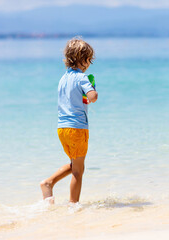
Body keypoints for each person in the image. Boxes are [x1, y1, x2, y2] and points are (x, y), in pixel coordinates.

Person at [40, 38, 98, 204]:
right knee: (78, 171)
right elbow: (92, 97)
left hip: (62, 128)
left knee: (75, 164)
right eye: (89, 60)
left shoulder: (63, 79)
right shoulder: (82, 78)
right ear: (83, 59)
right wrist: (93, 92)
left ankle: (48, 183)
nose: (89, 64)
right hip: (77, 128)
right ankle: (73, 206)